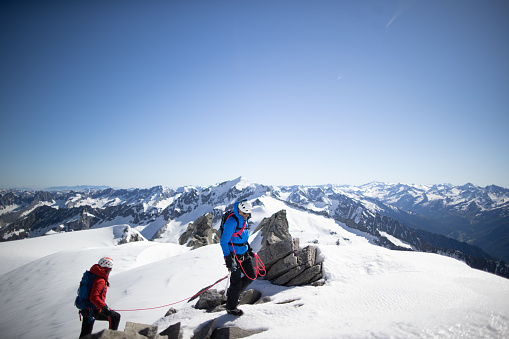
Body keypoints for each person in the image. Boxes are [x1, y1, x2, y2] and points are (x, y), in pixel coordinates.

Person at [220, 199, 257, 316]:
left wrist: (249, 249)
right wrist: (227, 258)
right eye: (244, 213)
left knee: (251, 275)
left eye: (248, 214)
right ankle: (231, 307)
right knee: (236, 282)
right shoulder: (232, 221)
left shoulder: (244, 220)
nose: (246, 216)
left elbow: (243, 237)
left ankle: (233, 296)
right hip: (233, 255)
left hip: (244, 252)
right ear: (239, 211)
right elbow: (223, 241)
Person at [79, 257, 121, 338]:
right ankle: (111, 337)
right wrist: (104, 307)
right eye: (110, 268)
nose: (110, 270)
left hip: (86, 308)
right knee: (115, 317)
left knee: (85, 333)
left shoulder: (93, 274)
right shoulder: (100, 280)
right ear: (106, 268)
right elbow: (94, 297)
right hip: (93, 310)